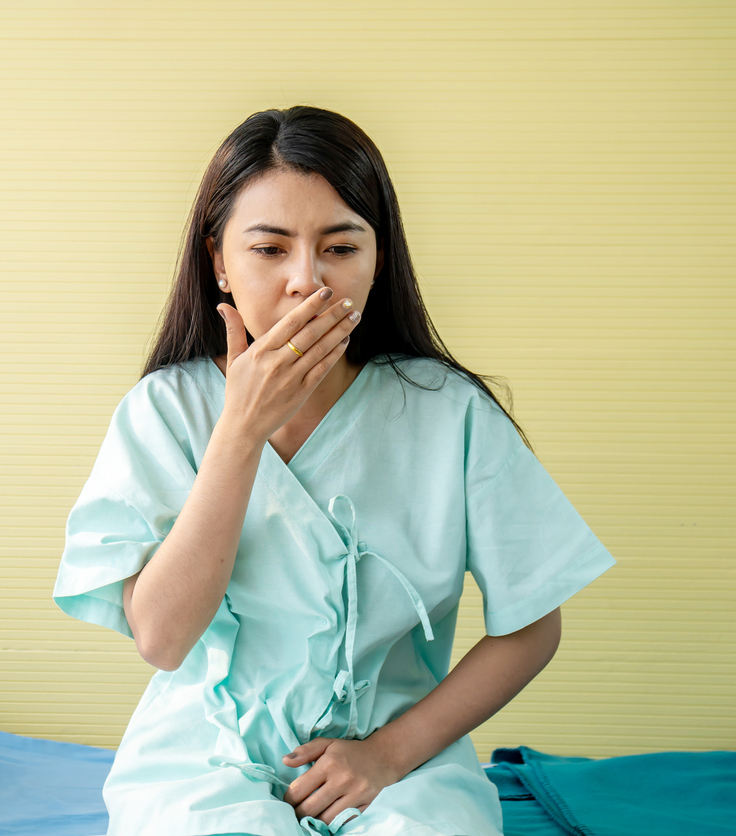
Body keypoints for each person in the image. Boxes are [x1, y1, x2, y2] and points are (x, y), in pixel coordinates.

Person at [52, 105, 616, 836]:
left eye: (340, 247)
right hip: (204, 760)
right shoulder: (164, 412)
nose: (306, 283)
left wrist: (388, 753)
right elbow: (161, 639)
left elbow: (533, 627)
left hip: (400, 764)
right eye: (269, 250)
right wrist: (241, 431)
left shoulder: (450, 413)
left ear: (379, 259)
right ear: (219, 260)